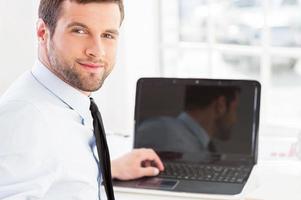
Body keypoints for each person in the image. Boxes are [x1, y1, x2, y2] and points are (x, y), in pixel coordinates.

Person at [0, 0, 163, 199]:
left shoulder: (66, 102)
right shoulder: (25, 118)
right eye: (79, 31)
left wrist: (105, 168)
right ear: (43, 32)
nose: (97, 51)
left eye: (107, 35)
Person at [136, 85, 240, 153]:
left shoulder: (204, 149)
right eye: (235, 110)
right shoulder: (162, 130)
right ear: (221, 105)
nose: (234, 120)